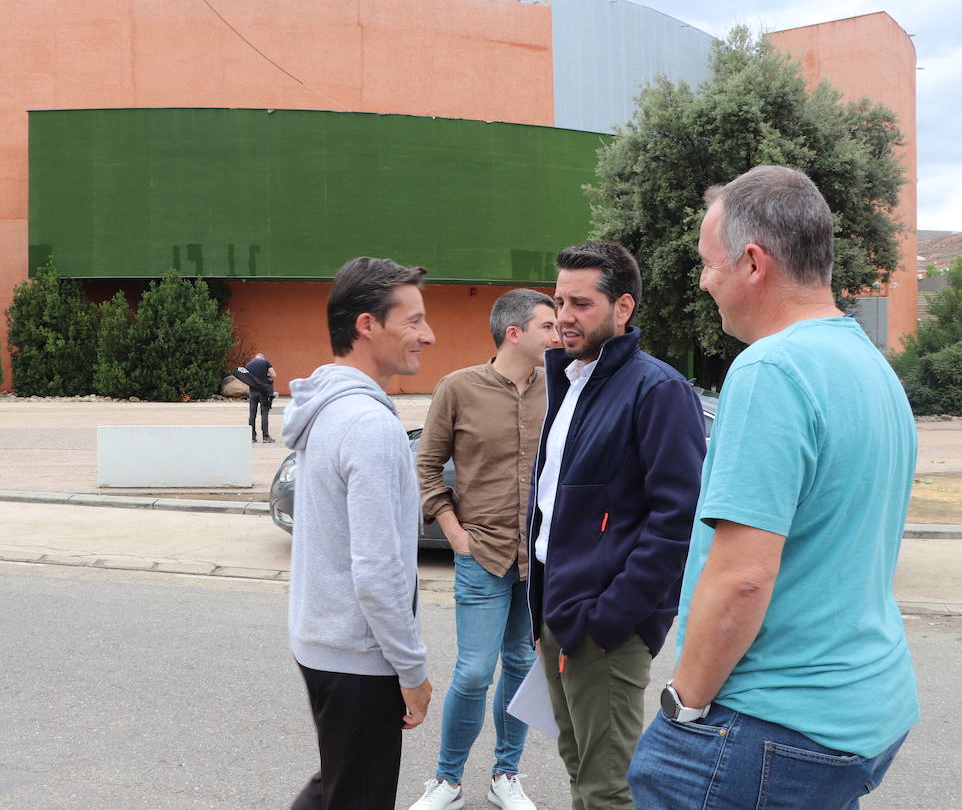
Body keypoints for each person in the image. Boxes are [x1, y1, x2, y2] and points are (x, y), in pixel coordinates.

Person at [628, 167, 918, 809]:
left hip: (768, 724)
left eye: (708, 264)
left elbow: (743, 578)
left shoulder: (771, 368)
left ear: (753, 263)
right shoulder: (873, 367)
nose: (703, 281)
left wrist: (684, 704)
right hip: (863, 711)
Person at [528, 241, 705, 810]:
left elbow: (677, 522)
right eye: (559, 301)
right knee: (581, 771)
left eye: (580, 303)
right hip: (558, 613)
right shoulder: (572, 382)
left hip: (604, 628)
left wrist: (610, 621)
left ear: (622, 307)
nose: (563, 316)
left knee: (609, 790)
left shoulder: (658, 389)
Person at [283, 256, 435, 810]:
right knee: (356, 794)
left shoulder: (326, 409)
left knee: (338, 783)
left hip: (322, 641)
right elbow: (376, 570)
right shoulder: (371, 426)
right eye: (413, 321)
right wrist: (412, 669)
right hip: (358, 655)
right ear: (367, 325)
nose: (428, 334)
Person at [407, 289, 559, 810]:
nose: (558, 333)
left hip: (537, 560)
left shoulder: (560, 387)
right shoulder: (457, 389)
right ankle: (447, 781)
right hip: (482, 554)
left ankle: (506, 776)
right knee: (474, 671)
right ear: (514, 333)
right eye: (547, 325)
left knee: (520, 663)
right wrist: (453, 533)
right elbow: (426, 467)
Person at [236, 351, 277, 442]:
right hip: (264, 391)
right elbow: (273, 375)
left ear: (255, 358)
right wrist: (266, 375)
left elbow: (246, 378)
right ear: (262, 358)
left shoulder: (248, 365)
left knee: (252, 414)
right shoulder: (265, 362)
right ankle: (266, 437)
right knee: (264, 413)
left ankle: (252, 437)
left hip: (253, 392)